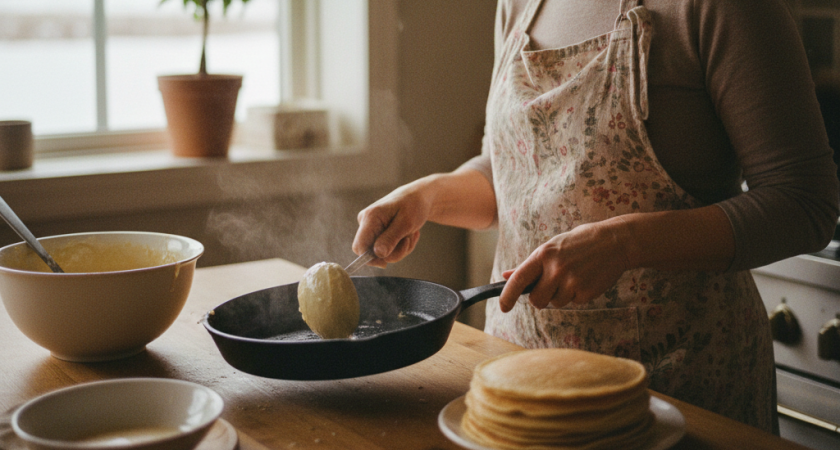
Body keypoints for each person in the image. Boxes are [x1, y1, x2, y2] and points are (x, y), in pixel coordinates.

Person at [352, 0, 839, 433]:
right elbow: (517, 171)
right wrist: (429, 197)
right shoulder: (518, 5)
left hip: (680, 388)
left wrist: (625, 244)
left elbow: (805, 203)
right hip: (522, 384)